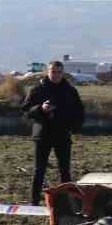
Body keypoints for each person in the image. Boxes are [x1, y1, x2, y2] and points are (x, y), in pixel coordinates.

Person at [22, 61, 85, 205]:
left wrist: (74, 127)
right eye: (52, 71)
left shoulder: (70, 91)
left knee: (65, 170)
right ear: (47, 72)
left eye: (58, 72)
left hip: (62, 134)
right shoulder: (37, 89)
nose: (55, 74)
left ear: (62, 73)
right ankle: (34, 202)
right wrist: (40, 109)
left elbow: (79, 111)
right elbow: (26, 111)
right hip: (43, 135)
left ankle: (68, 203)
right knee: (39, 170)